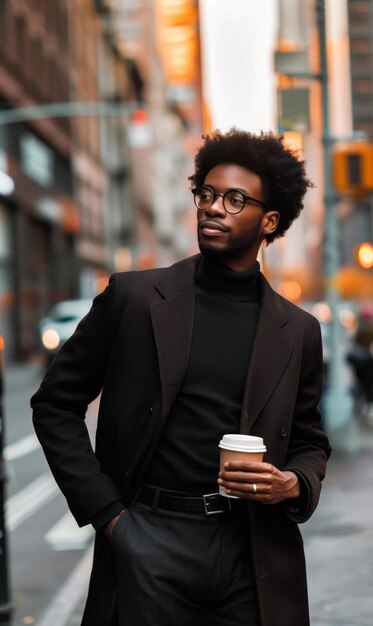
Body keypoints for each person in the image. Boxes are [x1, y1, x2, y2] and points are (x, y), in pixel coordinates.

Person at [31, 129, 331, 626]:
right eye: (207, 195)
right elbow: (54, 404)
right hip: (149, 539)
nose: (214, 208)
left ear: (270, 222)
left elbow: (309, 440)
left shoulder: (298, 330)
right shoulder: (133, 299)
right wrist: (111, 518)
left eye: (235, 200)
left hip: (252, 552)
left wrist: (293, 484)